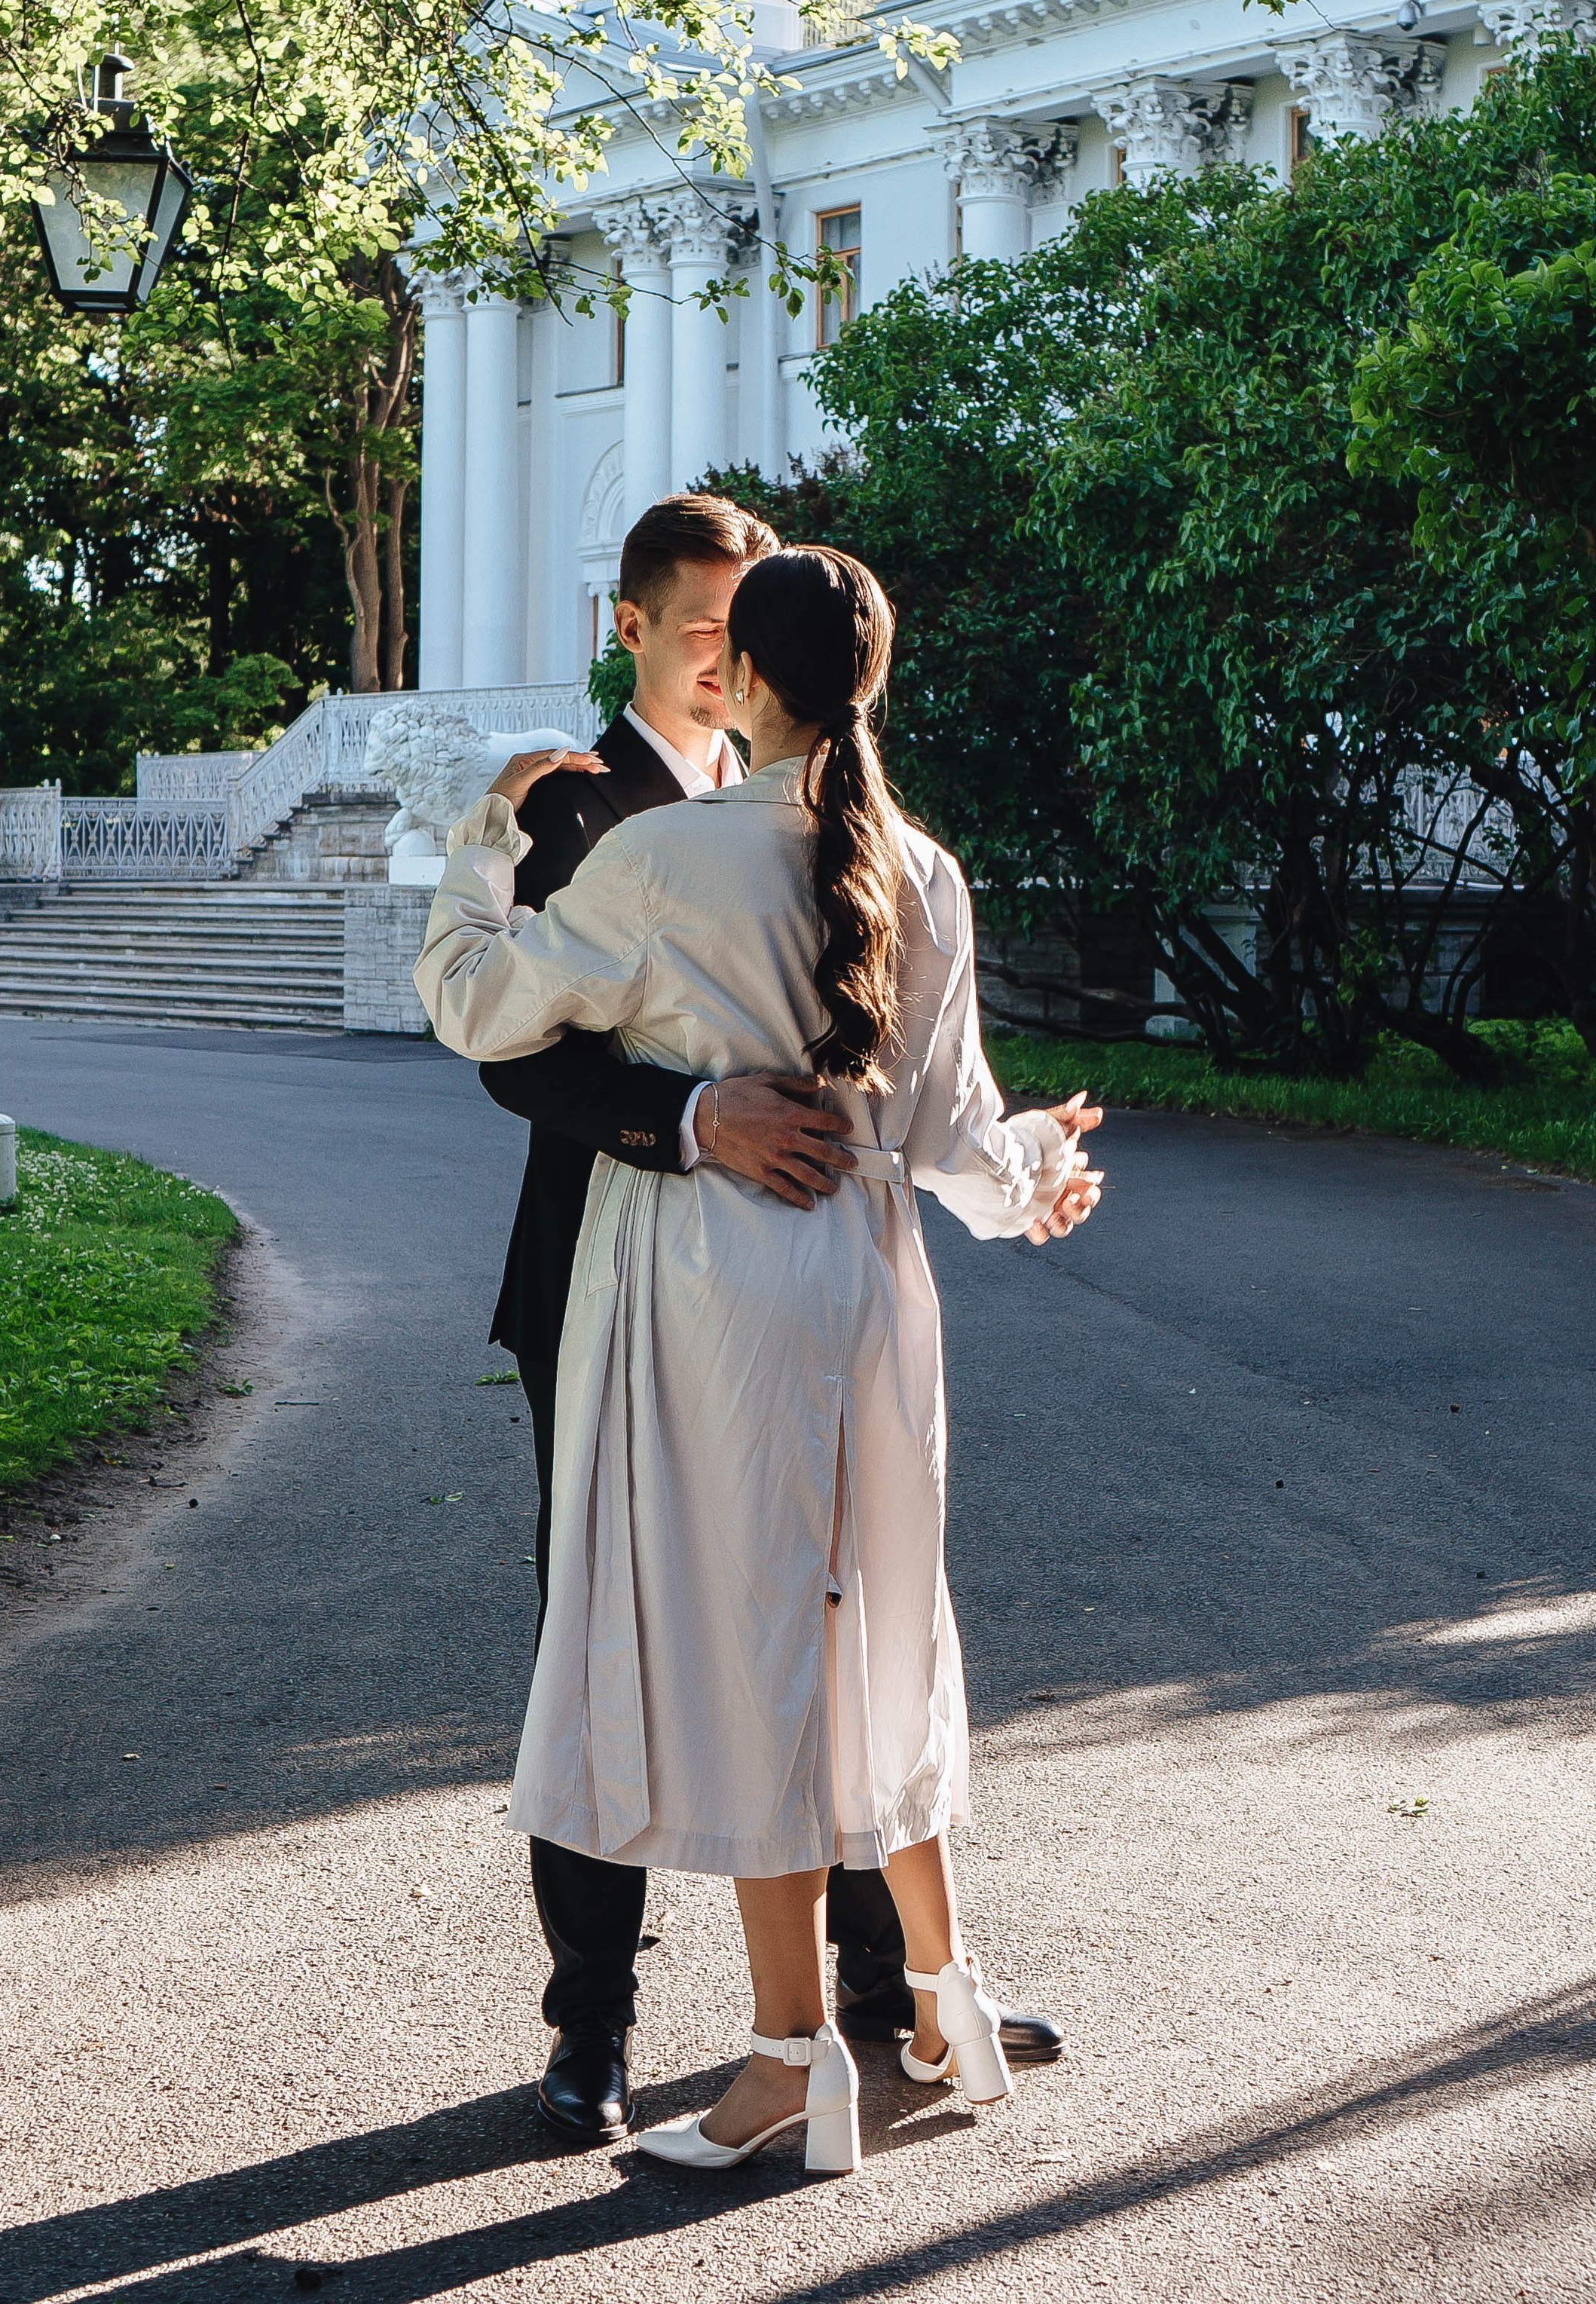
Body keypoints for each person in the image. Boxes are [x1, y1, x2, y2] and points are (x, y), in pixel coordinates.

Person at [419, 546, 1102, 2176]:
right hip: (869, 1282)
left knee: (742, 1657)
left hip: (706, 1289)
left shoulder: (663, 859)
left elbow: (475, 1006)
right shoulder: (915, 866)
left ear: (749, 678)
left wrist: (478, 842)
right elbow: (946, 1134)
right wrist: (1032, 1176)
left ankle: (793, 2054)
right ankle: (935, 1998)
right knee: (879, 1631)